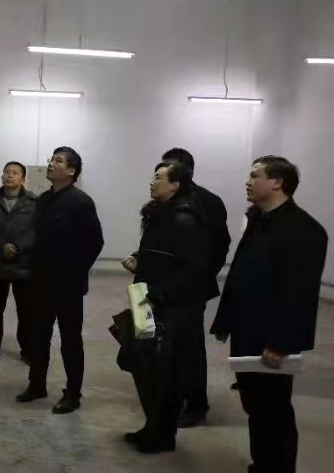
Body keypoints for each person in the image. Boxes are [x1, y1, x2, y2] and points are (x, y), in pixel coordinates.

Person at [211, 156, 328, 473]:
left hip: (271, 340)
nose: (247, 182)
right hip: (246, 332)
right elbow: (241, 273)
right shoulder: (259, 220)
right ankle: (263, 464)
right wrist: (226, 320)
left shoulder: (304, 230)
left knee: (274, 409)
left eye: (255, 175)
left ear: (277, 182)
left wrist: (281, 343)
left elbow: (300, 294)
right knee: (255, 405)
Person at [121, 161, 210, 454]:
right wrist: (138, 259)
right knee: (144, 365)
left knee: (164, 373)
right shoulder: (159, 214)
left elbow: (190, 269)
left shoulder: (185, 220)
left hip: (163, 304)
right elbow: (156, 252)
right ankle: (152, 427)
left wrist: (159, 294)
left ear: (175, 184)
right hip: (145, 297)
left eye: (159, 177)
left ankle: (162, 435)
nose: (152, 182)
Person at [16, 147, 104, 414]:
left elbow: (95, 242)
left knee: (70, 340)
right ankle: (36, 385)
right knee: (38, 336)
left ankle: (73, 394)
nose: (51, 164)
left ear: (72, 171)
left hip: (68, 285)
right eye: (52, 159)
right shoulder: (43, 200)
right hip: (41, 281)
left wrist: (76, 270)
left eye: (59, 160)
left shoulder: (81, 202)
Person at [160, 148, 231, 426]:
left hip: (191, 288)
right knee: (167, 344)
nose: (163, 173)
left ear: (186, 171)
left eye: (169, 168)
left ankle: (196, 403)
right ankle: (172, 397)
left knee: (190, 345)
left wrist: (202, 276)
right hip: (163, 288)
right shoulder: (165, 198)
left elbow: (220, 244)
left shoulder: (208, 201)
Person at [0, 161, 38, 363]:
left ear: (23, 179)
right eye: (6, 172)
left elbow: (36, 230)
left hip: (24, 265)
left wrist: (18, 247)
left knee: (26, 311)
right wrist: (2, 246)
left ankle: (27, 350)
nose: (9, 175)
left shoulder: (33, 201)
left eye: (15, 172)